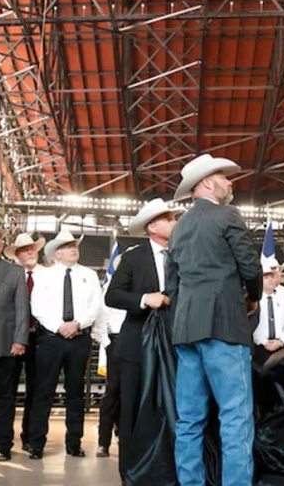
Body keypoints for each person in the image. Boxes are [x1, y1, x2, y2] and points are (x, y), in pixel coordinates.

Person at [165, 154, 261, 486]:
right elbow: (250, 266)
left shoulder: (177, 230)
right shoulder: (227, 215)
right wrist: (254, 297)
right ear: (206, 183)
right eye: (224, 176)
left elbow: (171, 287)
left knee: (189, 420)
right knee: (236, 417)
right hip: (224, 326)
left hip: (187, 330)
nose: (230, 182)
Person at [105, 198, 180, 476]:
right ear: (152, 226)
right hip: (136, 345)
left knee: (172, 409)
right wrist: (145, 298)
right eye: (169, 218)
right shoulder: (133, 256)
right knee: (132, 409)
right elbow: (112, 295)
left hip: (176, 344)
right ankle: (130, 471)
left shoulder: (183, 254)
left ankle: (168, 470)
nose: (175, 222)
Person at [27, 229, 103, 459]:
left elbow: (96, 306)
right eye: (67, 246)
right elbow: (37, 307)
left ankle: (74, 443)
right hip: (51, 339)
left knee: (76, 392)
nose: (73, 249)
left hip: (79, 339)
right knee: (43, 392)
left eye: (74, 245)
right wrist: (59, 326)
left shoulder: (89, 275)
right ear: (57, 253)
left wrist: (77, 323)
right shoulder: (44, 276)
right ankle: (36, 444)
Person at [2, 232, 45, 453]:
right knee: (6, 390)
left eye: (32, 248)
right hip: (12, 338)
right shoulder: (7, 275)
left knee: (36, 389)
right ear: (17, 255)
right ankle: (4, 440)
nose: (30, 252)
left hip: (40, 336)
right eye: (24, 249)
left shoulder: (47, 276)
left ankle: (29, 435)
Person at [0, 222, 29, 462]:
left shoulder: (15, 272)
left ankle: (3, 445)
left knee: (4, 399)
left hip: (4, 345)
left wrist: (20, 340)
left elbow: (22, 309)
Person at [93, 292, 126, 457]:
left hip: (138, 342)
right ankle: (103, 442)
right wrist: (108, 345)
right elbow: (99, 322)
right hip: (115, 341)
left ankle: (126, 437)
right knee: (112, 393)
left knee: (133, 393)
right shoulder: (110, 289)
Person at [251, 260, 284, 367]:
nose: (270, 280)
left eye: (271, 277)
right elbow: (252, 324)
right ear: (260, 280)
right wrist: (263, 341)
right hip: (261, 347)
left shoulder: (283, 299)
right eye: (266, 277)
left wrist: (281, 341)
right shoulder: (254, 301)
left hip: (280, 346)